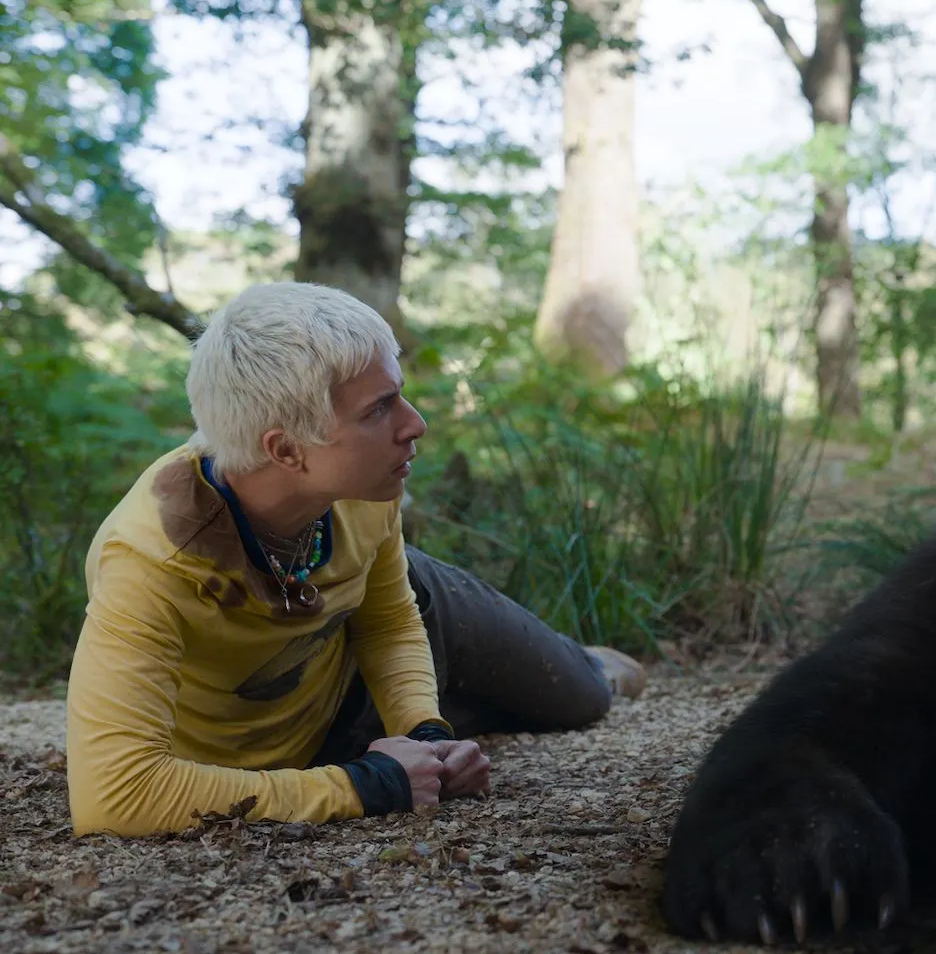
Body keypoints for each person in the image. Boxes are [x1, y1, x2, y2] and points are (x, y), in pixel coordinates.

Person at [64, 280, 649, 837]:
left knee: (582, 699)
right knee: (507, 713)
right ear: (287, 448)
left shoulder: (366, 490)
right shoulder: (150, 562)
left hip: (359, 664)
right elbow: (113, 794)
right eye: (379, 410)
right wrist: (369, 786)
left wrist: (422, 732)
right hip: (308, 743)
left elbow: (391, 618)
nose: (414, 425)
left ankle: (588, 668)